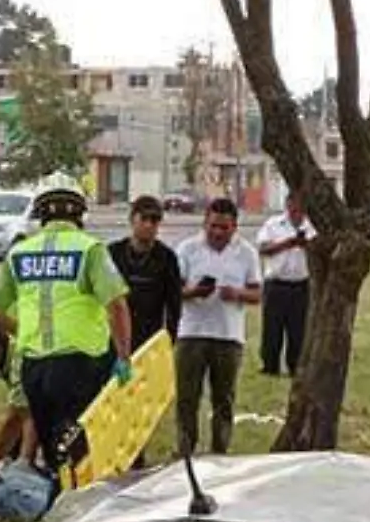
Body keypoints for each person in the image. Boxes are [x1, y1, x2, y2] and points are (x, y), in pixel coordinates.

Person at [0, 172, 133, 477]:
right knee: (81, 441)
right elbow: (116, 305)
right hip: (81, 362)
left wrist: (23, 331)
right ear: (79, 212)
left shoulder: (20, 253)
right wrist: (124, 356)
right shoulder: (90, 249)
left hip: (34, 365)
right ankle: (80, 502)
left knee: (52, 445)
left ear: (39, 213)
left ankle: (56, 497)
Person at [174, 198, 261, 457]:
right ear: (205, 223)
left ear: (235, 227)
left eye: (224, 228)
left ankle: (219, 453)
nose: (218, 232)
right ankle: (185, 452)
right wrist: (194, 291)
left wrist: (237, 293)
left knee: (224, 399)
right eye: (213, 226)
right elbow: (173, 291)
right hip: (192, 333)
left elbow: (257, 294)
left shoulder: (246, 253)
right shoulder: (187, 249)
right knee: (187, 398)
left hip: (228, 335)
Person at [109, 194, 183, 345]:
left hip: (150, 341)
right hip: (114, 338)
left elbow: (174, 306)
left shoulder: (167, 258)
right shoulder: (113, 253)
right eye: (144, 219)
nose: (148, 225)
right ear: (132, 219)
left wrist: (169, 340)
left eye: (154, 220)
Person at [255, 190, 312, 376]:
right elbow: (263, 249)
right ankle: (270, 365)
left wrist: (306, 245)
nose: (296, 208)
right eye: (293, 203)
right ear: (287, 204)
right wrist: (288, 243)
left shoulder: (312, 226)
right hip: (276, 283)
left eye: (300, 204)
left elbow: (321, 251)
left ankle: (296, 366)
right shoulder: (273, 224)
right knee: (272, 327)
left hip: (301, 284)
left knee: (299, 329)